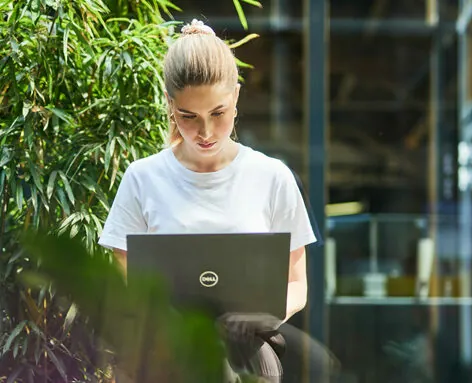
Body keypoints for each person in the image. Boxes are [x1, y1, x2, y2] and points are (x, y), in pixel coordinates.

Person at [98, 19, 318, 382]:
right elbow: (122, 273)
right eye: (189, 116)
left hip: (248, 358)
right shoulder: (143, 177)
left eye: (218, 113)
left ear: (236, 97)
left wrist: (261, 317)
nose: (205, 132)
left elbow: (297, 285)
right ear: (170, 104)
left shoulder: (272, 177)